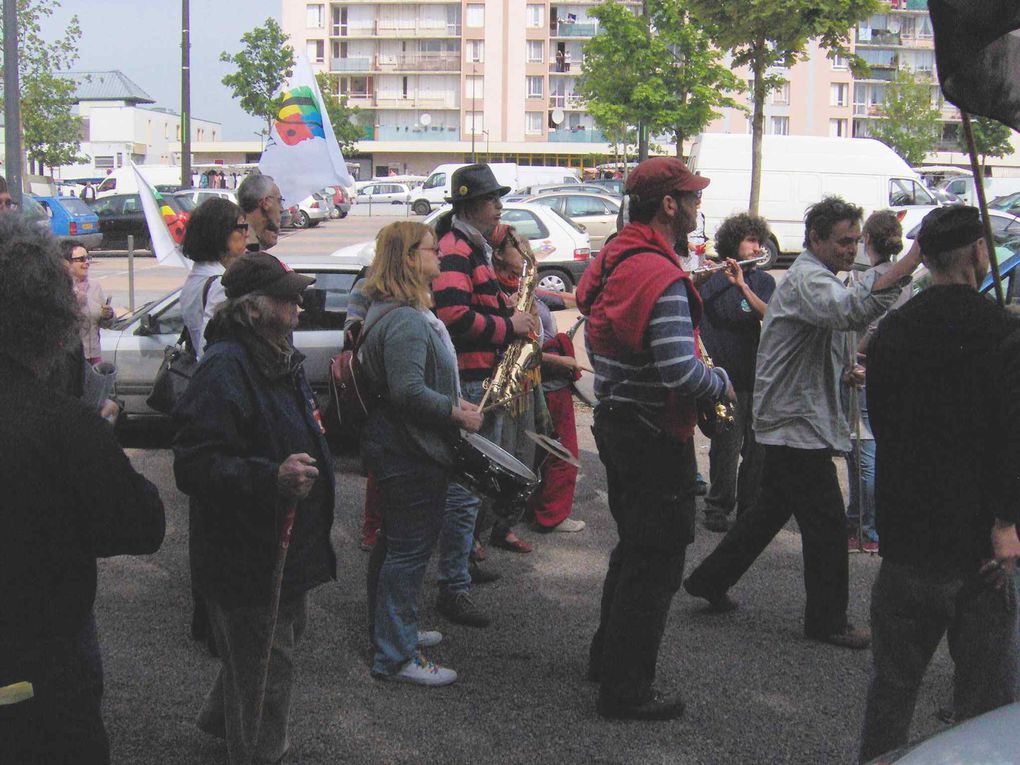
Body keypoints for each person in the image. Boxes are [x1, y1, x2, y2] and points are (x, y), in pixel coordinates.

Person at [683, 196, 921, 649]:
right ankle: (828, 621)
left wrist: (845, 368)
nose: (851, 249)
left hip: (794, 417)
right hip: (795, 421)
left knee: (770, 510)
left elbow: (833, 329)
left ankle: (710, 579)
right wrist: (912, 258)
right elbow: (851, 310)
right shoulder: (809, 278)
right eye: (842, 241)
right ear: (815, 240)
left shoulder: (820, 279)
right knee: (828, 524)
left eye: (855, 241)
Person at [0, 213, 165, 764]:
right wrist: (101, 438)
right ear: (51, 317)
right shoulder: (66, 427)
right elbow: (143, 525)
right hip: (42, 666)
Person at [857, 206, 1020, 761]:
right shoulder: (1000, 332)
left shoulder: (893, 331)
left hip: (908, 532)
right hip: (978, 541)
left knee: (894, 686)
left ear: (923, 257)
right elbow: (1011, 437)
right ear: (979, 252)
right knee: (985, 697)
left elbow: (881, 423)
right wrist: (1005, 521)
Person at [576, 157, 734, 721]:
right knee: (656, 565)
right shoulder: (661, 275)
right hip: (652, 435)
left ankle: (607, 659)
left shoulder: (617, 257)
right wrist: (721, 380)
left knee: (634, 550)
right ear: (669, 204)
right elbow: (679, 371)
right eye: (690, 196)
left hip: (618, 423)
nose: (696, 205)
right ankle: (625, 690)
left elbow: (595, 333)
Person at [173, 253, 336, 765]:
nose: (299, 305)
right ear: (253, 309)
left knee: (262, 655)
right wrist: (271, 477)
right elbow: (194, 467)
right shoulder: (226, 366)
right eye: (288, 298)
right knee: (267, 672)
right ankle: (258, 753)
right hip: (248, 556)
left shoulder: (271, 353)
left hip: (275, 553)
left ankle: (221, 723)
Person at [360, 221, 483, 686]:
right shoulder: (407, 321)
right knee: (408, 553)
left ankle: (393, 631)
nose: (441, 257)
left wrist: (454, 403)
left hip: (398, 448)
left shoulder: (394, 310)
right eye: (433, 250)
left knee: (395, 546)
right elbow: (409, 392)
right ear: (410, 258)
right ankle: (395, 655)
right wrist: (457, 414)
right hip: (409, 452)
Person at [431, 163, 538, 628]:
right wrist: (508, 325)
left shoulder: (472, 248)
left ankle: (465, 566)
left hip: (484, 379)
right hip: (471, 383)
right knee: (464, 493)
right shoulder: (456, 248)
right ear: (473, 205)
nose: (499, 209)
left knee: (476, 489)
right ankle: (452, 586)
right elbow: (453, 315)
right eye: (494, 200)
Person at [698, 214, 776, 533]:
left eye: (759, 240)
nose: (757, 246)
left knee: (757, 450)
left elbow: (771, 317)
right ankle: (717, 506)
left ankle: (749, 507)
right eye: (751, 241)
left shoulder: (764, 282)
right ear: (734, 243)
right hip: (723, 384)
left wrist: (742, 285)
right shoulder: (712, 278)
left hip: (757, 380)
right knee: (725, 445)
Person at [844, 210, 908, 554]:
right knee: (877, 449)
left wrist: (854, 355)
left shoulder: (869, 280)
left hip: (866, 368)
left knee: (862, 451)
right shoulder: (906, 281)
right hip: (893, 371)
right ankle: (870, 522)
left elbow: (870, 327)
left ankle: (863, 527)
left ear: (867, 241)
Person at [180, 197, 250, 360]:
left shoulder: (197, 276)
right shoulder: (220, 284)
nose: (247, 235)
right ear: (219, 233)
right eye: (240, 228)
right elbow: (208, 347)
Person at [59, 240, 114, 364]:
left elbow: (105, 324)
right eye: (81, 259)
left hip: (94, 356)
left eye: (88, 258)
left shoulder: (95, 287)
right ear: (67, 263)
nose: (87, 263)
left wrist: (108, 316)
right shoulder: (60, 288)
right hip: (70, 359)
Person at [237, 173, 284, 252]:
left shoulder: (238, 243)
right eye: (279, 201)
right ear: (266, 202)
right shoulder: (246, 254)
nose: (282, 209)